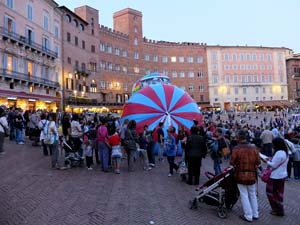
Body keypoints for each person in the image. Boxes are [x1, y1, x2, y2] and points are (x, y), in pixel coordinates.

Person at [230, 129, 261, 222]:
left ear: (239, 138)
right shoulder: (254, 148)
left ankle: (248, 215)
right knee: (252, 194)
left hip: (241, 174)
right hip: (252, 174)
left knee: (244, 195)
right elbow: (258, 162)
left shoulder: (236, 148)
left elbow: (232, 162)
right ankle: (255, 213)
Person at [264, 137, 289, 217]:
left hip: (275, 176)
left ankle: (277, 209)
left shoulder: (279, 153)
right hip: (282, 175)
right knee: (279, 193)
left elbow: (273, 165)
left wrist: (266, 161)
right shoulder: (285, 152)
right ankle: (279, 209)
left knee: (271, 193)